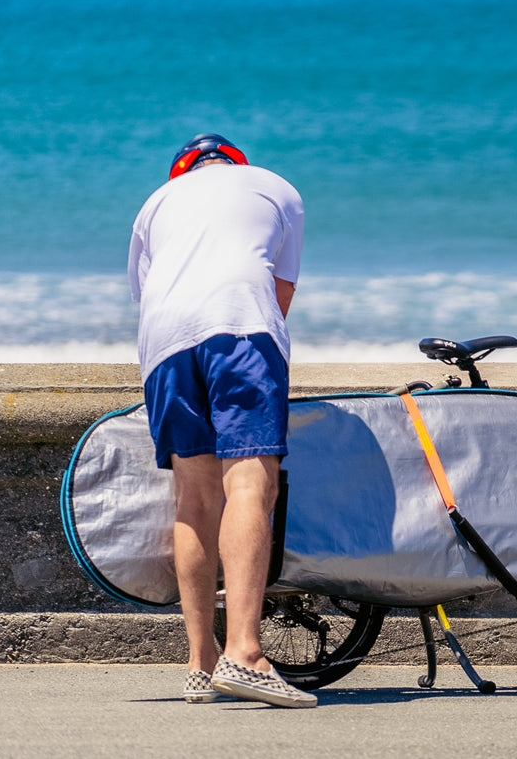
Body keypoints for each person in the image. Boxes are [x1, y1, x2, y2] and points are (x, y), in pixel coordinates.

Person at [128, 133, 314, 708]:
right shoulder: (276, 187)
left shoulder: (154, 205)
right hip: (239, 324)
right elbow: (279, 293)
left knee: (194, 496)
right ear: (238, 164)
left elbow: (145, 292)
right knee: (251, 482)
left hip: (162, 344)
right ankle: (246, 653)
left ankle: (200, 664)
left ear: (181, 171)